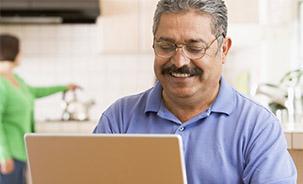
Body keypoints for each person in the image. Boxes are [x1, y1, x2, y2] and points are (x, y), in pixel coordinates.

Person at [93, 0, 297, 183]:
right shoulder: (118, 119)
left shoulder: (258, 127)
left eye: (195, 47)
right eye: (166, 46)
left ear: (224, 49)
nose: (179, 61)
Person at [0, 33, 80, 184]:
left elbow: (35, 92)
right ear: (11, 50)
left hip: (20, 152)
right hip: (7, 155)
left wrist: (64, 87)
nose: (21, 53)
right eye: (20, 49)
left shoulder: (15, 79)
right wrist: (3, 155)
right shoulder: (1, 83)